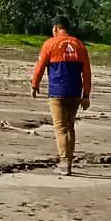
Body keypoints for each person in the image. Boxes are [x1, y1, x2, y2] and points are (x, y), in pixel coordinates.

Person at [30, 16, 92, 176]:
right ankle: (68, 162)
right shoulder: (80, 45)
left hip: (57, 92)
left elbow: (40, 67)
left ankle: (65, 164)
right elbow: (86, 72)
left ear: (55, 28)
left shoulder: (50, 44)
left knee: (60, 128)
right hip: (75, 92)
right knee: (70, 127)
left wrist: (34, 85)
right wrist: (86, 94)